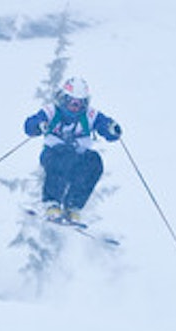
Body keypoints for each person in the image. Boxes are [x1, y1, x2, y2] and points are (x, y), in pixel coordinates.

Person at [23, 76, 122, 223]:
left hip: (78, 160)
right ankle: (52, 203)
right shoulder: (52, 111)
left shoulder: (89, 115)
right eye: (72, 102)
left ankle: (73, 206)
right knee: (64, 156)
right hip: (54, 155)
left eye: (80, 103)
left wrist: (111, 129)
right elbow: (30, 124)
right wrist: (39, 126)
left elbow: (103, 124)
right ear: (63, 100)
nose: (75, 107)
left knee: (94, 161)